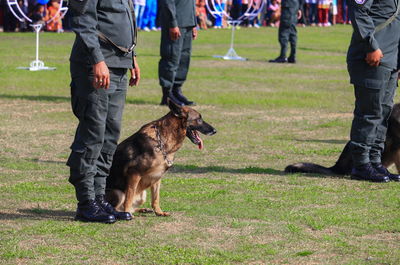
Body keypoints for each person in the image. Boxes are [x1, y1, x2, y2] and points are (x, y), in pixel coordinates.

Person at [67, 0, 141, 223]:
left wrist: (131, 57)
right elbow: (82, 20)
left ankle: (100, 198)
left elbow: (126, 16)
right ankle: (86, 202)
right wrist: (97, 59)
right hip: (96, 66)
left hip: (118, 64)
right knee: (93, 134)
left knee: (110, 136)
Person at [346, 0, 400, 182]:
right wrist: (371, 45)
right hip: (370, 57)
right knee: (369, 113)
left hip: (391, 59)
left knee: (384, 112)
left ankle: (375, 162)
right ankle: (361, 165)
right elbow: (359, 12)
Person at [158, 0, 197, 106]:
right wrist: (173, 23)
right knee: (171, 57)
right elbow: (168, 3)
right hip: (176, 23)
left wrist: (194, 23)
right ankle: (167, 94)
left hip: (187, 22)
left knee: (183, 59)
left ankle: (176, 90)